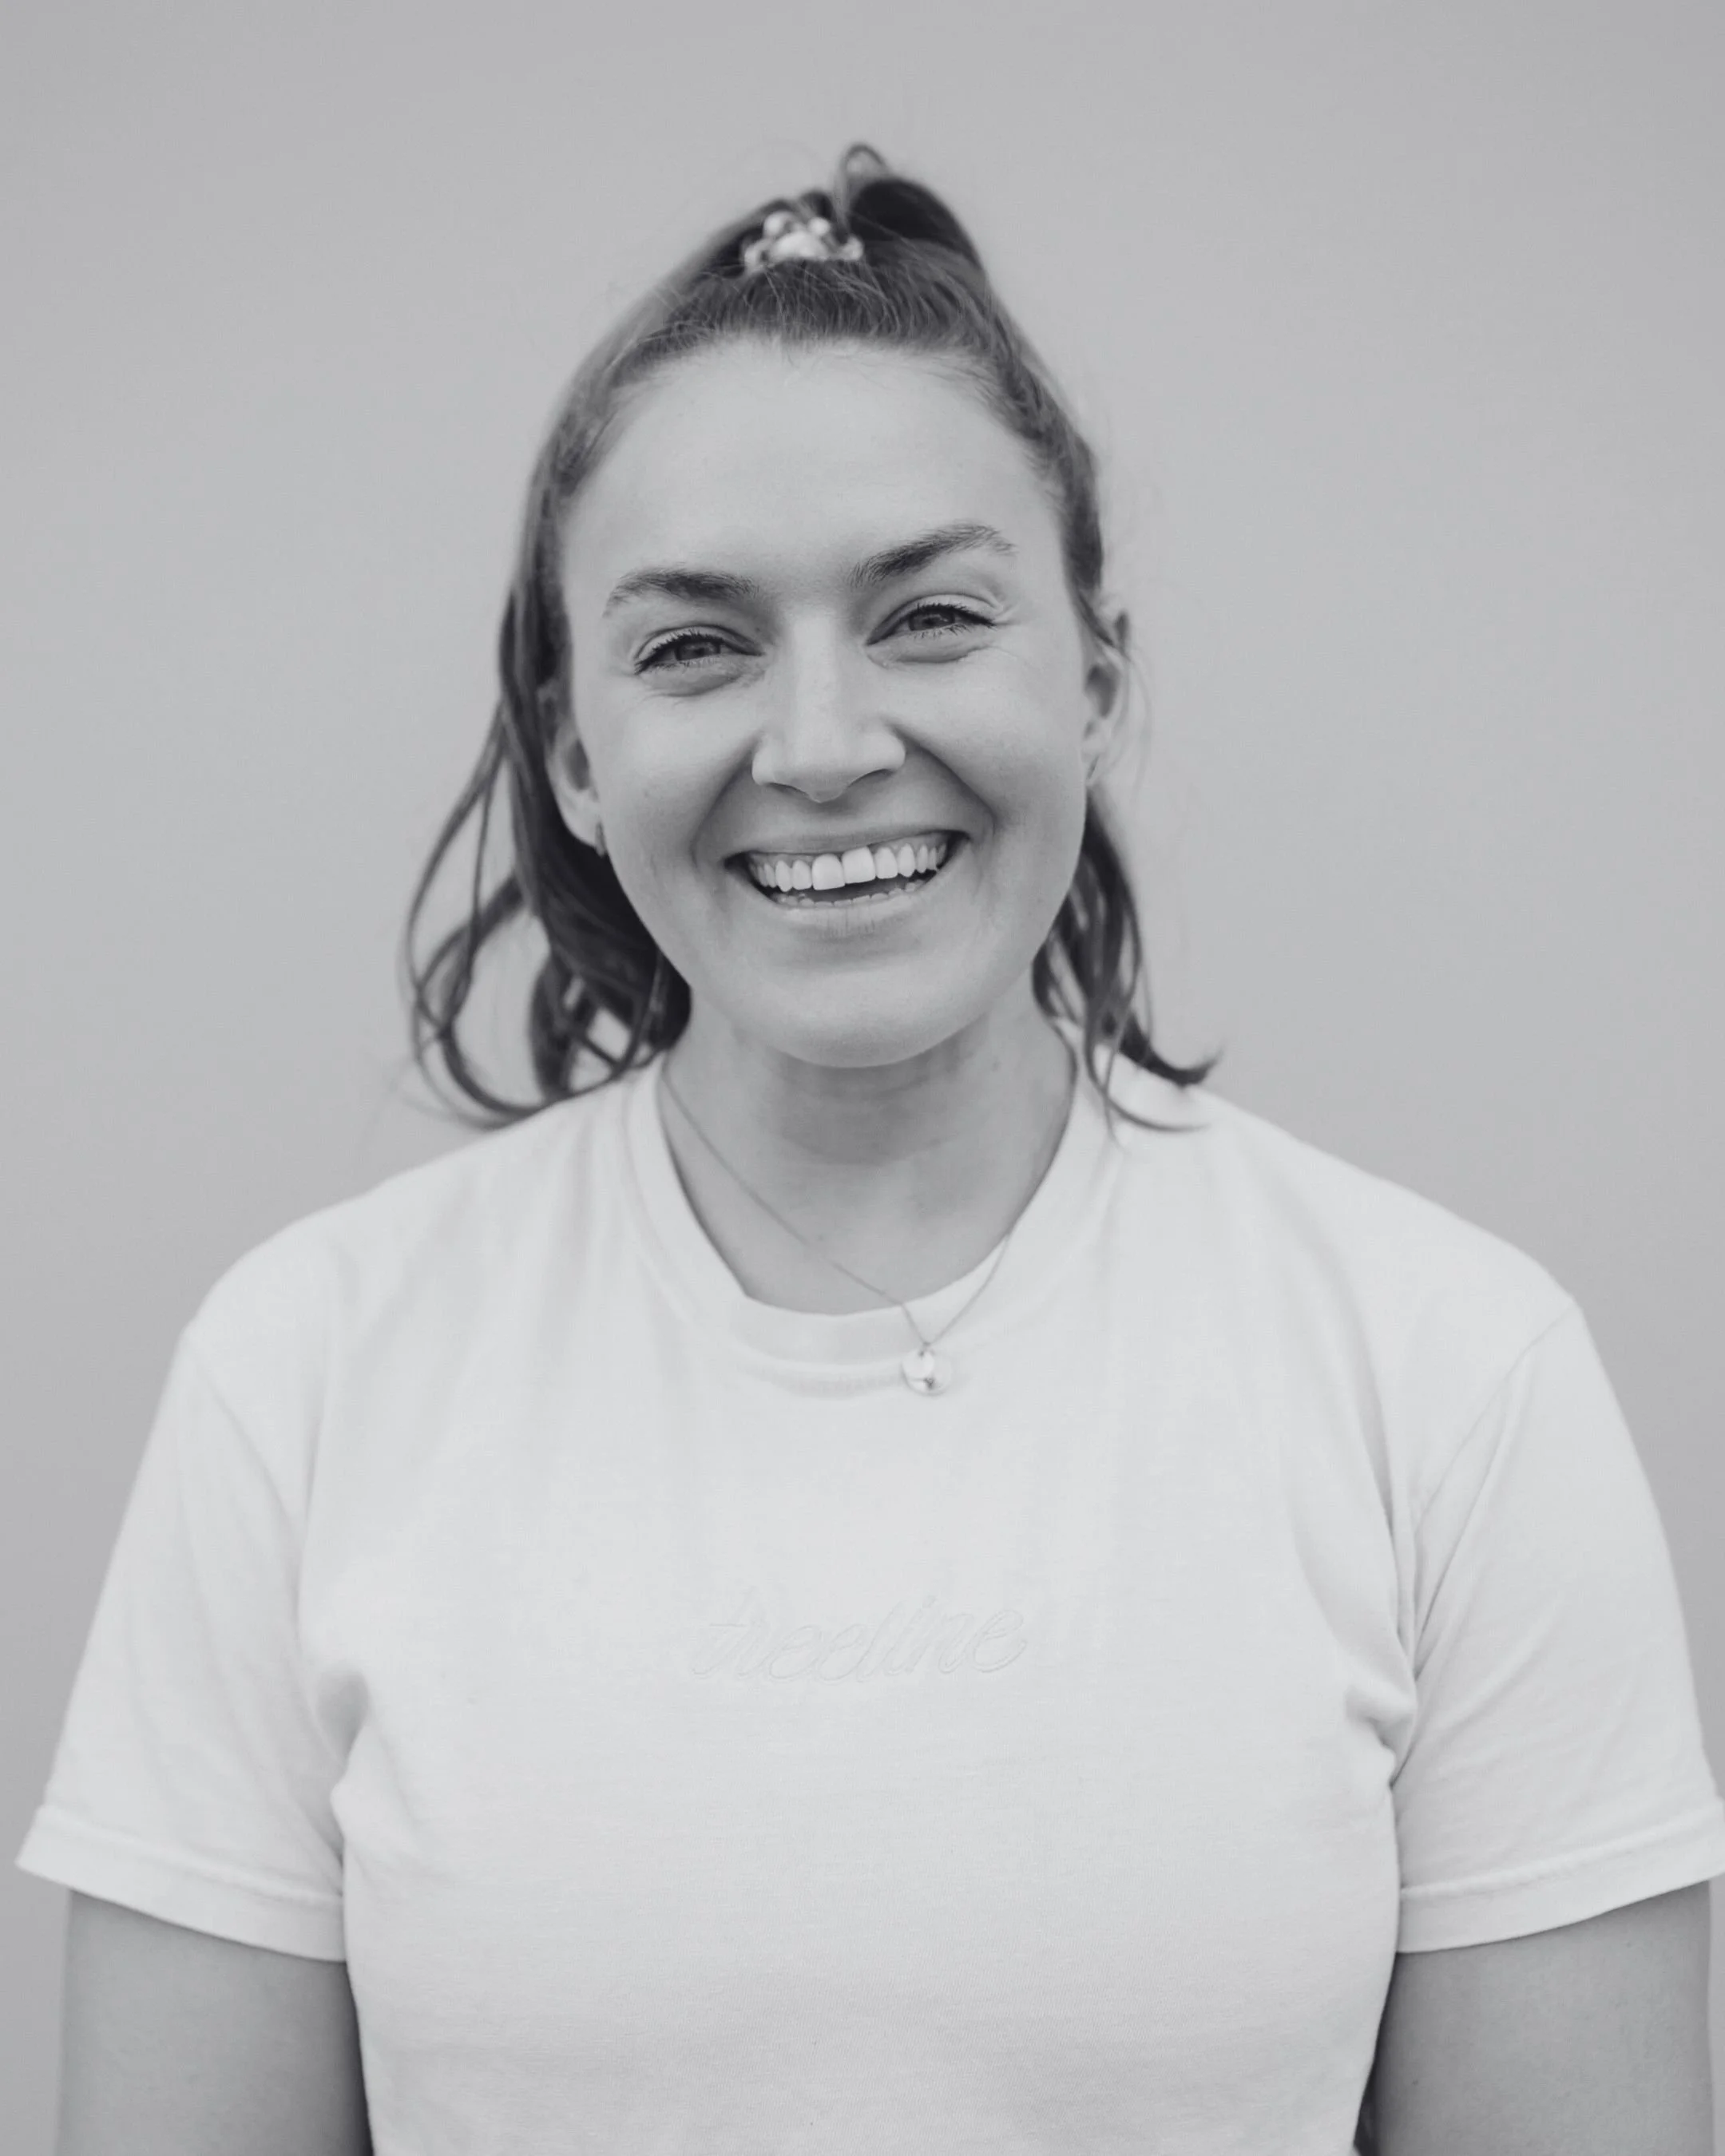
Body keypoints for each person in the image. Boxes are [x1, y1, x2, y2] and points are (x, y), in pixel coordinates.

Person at [19, 145, 1723, 2156]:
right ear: (575, 755)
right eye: (695, 647)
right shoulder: (304, 1375)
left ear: (1093, 683)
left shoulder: (1452, 1374)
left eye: (929, 616)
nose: (822, 744)